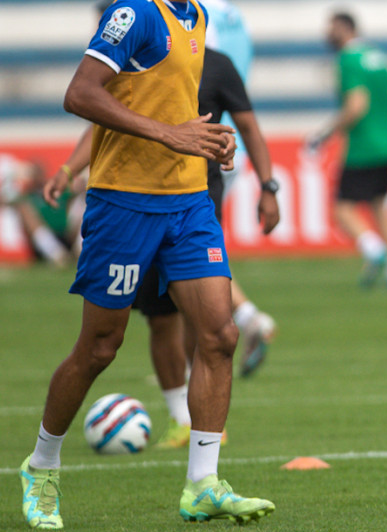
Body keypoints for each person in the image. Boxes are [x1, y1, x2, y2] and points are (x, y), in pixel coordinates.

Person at [18, 0, 273, 529]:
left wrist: (210, 138)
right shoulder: (134, 11)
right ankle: (42, 465)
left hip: (188, 202)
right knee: (100, 347)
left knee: (219, 333)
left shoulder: (197, 16)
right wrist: (170, 136)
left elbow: (168, 106)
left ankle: (203, 483)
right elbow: (81, 93)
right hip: (123, 205)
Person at [46, 44, 282, 446]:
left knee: (215, 329)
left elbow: (246, 126)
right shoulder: (133, 51)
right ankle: (177, 418)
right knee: (134, 330)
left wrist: (266, 183)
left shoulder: (217, 63)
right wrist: (71, 168)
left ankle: (204, 463)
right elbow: (94, 113)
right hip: (133, 205)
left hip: (197, 201)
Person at [190, 0, 278, 372]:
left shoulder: (196, 18)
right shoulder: (235, 15)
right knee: (201, 251)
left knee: (188, 259)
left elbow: (196, 75)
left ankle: (195, 364)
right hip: (230, 136)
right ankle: (244, 318)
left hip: (204, 144)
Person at [312, 12, 387, 289]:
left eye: (332, 28)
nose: (328, 34)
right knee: (379, 205)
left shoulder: (347, 60)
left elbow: (356, 105)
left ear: (345, 29)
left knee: (342, 209)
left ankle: (373, 249)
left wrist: (325, 134)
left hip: (362, 147)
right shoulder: (377, 57)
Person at [0, 159, 80, 267]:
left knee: (84, 205)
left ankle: (80, 251)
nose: (38, 176)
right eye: (34, 173)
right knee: (23, 207)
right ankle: (57, 255)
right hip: (44, 247)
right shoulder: (26, 195)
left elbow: (81, 191)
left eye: (39, 172)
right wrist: (9, 178)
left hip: (66, 235)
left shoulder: (59, 189)